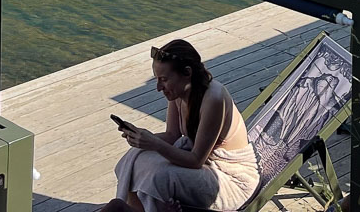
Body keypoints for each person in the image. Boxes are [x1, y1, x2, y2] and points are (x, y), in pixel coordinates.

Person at [106, 39, 258, 212]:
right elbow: (172, 135)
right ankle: (138, 208)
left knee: (160, 176)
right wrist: (142, 137)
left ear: (187, 73)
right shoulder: (178, 91)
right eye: (157, 79)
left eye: (163, 79)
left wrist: (154, 143)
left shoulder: (213, 99)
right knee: (136, 156)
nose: (158, 87)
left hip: (230, 180)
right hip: (204, 166)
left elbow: (195, 161)